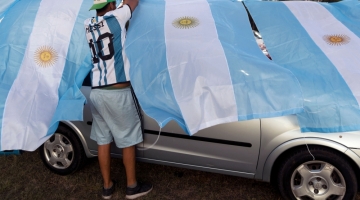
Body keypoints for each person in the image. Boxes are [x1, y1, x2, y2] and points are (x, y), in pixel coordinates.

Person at [84, 0, 152, 199]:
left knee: (103, 139)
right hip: (117, 92)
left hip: (96, 91)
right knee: (127, 139)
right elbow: (133, 2)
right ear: (112, 5)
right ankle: (132, 187)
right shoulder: (117, 16)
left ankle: (107, 187)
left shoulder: (87, 24)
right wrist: (123, 5)